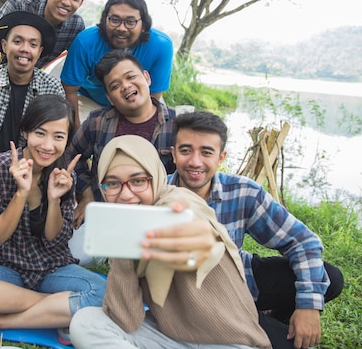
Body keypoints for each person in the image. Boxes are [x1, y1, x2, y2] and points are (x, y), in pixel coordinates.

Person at [69, 135, 271, 349]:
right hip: (172, 338)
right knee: (86, 322)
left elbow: (192, 227)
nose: (126, 195)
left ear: (155, 177)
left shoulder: (177, 203)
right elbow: (126, 320)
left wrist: (194, 240)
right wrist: (122, 250)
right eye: (112, 184)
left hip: (230, 344)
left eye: (138, 181)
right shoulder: (126, 225)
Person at [0, 95, 106, 345]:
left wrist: (55, 199)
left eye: (59, 136)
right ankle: (59, 313)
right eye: (40, 133)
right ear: (26, 131)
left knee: (104, 293)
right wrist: (21, 192)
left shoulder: (62, 174)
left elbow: (56, 240)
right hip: (7, 270)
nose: (48, 145)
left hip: (53, 270)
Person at [168, 111, 344, 349]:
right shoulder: (156, 196)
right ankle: (258, 327)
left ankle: (274, 319)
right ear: (174, 153)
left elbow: (303, 241)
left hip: (241, 280)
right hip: (200, 303)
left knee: (330, 278)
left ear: (221, 157)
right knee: (292, 345)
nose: (195, 162)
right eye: (186, 150)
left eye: (206, 152)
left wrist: (308, 306)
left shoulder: (242, 192)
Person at [67, 50, 175, 227]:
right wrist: (86, 194)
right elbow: (71, 155)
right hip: (106, 215)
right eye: (115, 86)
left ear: (147, 78)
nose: (125, 86)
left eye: (130, 77)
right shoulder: (98, 122)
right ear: (109, 98)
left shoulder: (175, 125)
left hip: (159, 220)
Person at [60, 0, 173, 128]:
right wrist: (76, 134)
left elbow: (154, 95)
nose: (121, 28)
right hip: (90, 99)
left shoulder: (161, 45)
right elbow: (69, 91)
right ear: (104, 19)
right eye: (115, 20)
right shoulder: (85, 42)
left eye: (130, 21)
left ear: (143, 25)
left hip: (138, 98)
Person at [0, 10, 66, 154]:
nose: (24, 49)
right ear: (4, 45)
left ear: (39, 52)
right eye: (17, 42)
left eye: (33, 45)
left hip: (30, 168)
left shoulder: (52, 88)